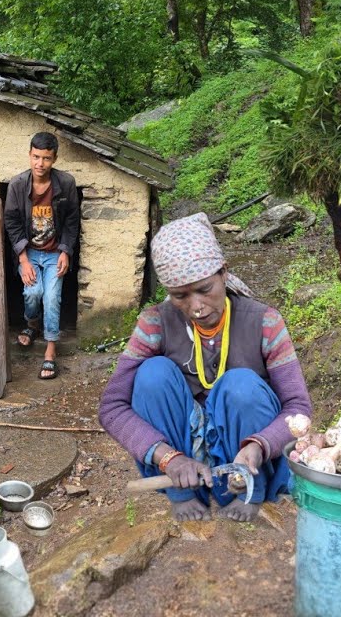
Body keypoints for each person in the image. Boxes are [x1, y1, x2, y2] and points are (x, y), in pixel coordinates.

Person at [98, 213, 313, 523]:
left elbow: (299, 410)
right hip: (184, 461)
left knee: (241, 385)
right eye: (180, 296)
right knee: (152, 375)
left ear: (223, 273)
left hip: (247, 454)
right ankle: (182, 492)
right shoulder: (155, 323)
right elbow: (113, 408)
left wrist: (259, 446)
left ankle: (249, 490)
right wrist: (168, 458)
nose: (196, 307)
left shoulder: (265, 322)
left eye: (204, 289)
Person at [4, 131, 81, 380]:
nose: (40, 164)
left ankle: (50, 353)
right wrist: (23, 259)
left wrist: (66, 251)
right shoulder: (17, 185)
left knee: (52, 297)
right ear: (29, 155)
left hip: (54, 253)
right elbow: (12, 222)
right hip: (29, 252)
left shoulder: (66, 183)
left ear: (54, 159)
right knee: (32, 293)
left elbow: (71, 221)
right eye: (36, 157)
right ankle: (32, 324)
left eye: (46, 158)